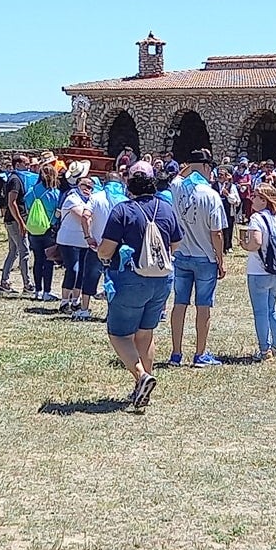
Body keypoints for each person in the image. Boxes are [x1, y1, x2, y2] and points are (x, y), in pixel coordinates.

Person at [98, 163, 183, 409]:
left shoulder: (122, 211)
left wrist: (103, 257)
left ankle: (141, 376)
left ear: (129, 186)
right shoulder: (166, 208)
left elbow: (106, 248)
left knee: (119, 333)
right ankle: (141, 390)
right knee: (146, 333)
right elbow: (176, 243)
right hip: (162, 280)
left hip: (130, 279)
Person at [167, 150, 229, 367]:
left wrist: (190, 166)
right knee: (203, 307)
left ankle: (176, 353)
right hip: (204, 257)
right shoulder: (211, 195)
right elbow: (217, 233)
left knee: (179, 304)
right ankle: (199, 353)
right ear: (205, 167)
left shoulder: (176, 189)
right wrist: (220, 260)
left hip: (181, 254)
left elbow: (176, 177)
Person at [242, 184, 276, 358]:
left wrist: (244, 245)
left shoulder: (257, 218)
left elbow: (255, 242)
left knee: (260, 311)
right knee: (271, 308)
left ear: (264, 199)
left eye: (255, 196)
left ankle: (265, 349)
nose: (251, 198)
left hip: (258, 270)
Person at [57, 169, 110, 321]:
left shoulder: (91, 200)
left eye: (91, 187)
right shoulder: (72, 198)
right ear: (78, 185)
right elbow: (83, 216)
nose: (88, 189)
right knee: (73, 270)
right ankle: (64, 301)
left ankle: (76, 301)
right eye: (85, 185)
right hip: (68, 240)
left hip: (85, 241)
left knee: (82, 272)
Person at [25, 163, 65, 301]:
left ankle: (38, 290)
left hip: (34, 230)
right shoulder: (54, 193)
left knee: (37, 260)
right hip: (49, 229)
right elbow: (58, 212)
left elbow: (27, 206)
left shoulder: (31, 191)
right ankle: (47, 291)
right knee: (49, 260)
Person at [0, 155, 36, 295]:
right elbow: (11, 202)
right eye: (26, 163)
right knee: (24, 251)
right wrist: (21, 222)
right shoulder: (15, 180)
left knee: (13, 251)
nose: (28, 165)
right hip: (15, 220)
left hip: (12, 219)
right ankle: (28, 284)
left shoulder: (15, 178)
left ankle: (4, 282)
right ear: (18, 164)